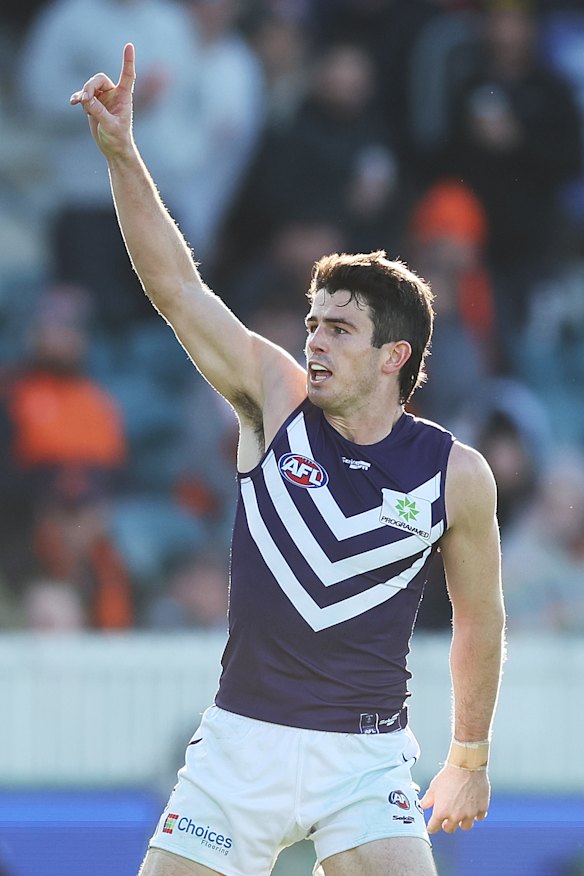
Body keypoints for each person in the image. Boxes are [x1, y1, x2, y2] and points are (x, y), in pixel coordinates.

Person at [70, 44, 505, 876]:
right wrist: (124, 155)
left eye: (337, 329)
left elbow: (481, 619)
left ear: (393, 356)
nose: (312, 340)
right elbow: (179, 292)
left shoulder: (455, 474)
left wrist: (470, 757)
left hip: (367, 760)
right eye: (311, 322)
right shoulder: (276, 399)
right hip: (242, 746)